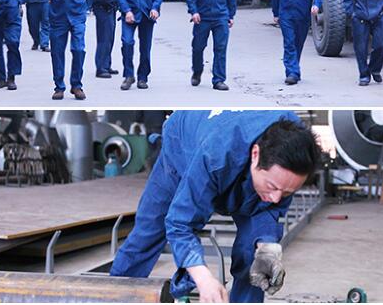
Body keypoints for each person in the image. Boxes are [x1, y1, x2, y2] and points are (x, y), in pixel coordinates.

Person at [110, 110, 322, 303]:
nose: (276, 198)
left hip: (232, 146)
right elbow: (180, 224)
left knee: (252, 257)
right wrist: (203, 279)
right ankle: (112, 298)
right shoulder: (215, 154)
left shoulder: (295, 148)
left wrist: (266, 249)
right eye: (272, 187)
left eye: (287, 192)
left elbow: (269, 211)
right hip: (183, 141)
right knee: (149, 231)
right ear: (256, 155)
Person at [44, 0, 92, 100]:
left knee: (79, 49)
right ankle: (59, 87)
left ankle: (76, 85)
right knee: (57, 52)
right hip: (58, 17)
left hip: (77, 16)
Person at [188, 0, 236, 91]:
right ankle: (197, 71)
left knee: (220, 48)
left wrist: (231, 15)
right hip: (202, 17)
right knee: (198, 47)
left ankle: (219, 79)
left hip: (221, 16)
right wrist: (194, 11)